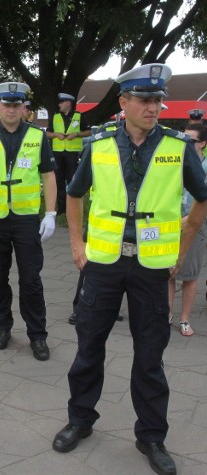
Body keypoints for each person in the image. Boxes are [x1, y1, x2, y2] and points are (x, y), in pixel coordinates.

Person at [52, 64, 207, 475]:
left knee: (151, 356)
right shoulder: (99, 144)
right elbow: (74, 194)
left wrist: (181, 248)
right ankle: (80, 419)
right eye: (145, 100)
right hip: (102, 264)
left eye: (158, 100)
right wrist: (75, 243)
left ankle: (152, 436)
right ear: (124, 103)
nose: (154, 107)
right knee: (88, 349)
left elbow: (202, 199)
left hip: (152, 268)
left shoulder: (178, 146)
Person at [0, 82, 57, 361]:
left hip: (26, 219)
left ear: (24, 109)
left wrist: (51, 213)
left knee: (31, 279)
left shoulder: (37, 136)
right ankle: (2, 327)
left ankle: (38, 335)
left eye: (17, 105)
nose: (11, 109)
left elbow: (49, 176)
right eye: (7, 105)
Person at [167, 124, 207, 337]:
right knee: (168, 272)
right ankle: (167, 315)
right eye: (184, 138)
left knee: (190, 275)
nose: (186, 143)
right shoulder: (174, 162)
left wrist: (190, 219)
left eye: (192, 140)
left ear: (202, 143)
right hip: (171, 224)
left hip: (196, 226)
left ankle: (184, 320)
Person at [46, 93, 91, 215]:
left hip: (72, 153)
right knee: (59, 181)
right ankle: (62, 209)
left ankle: (73, 209)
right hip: (58, 152)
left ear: (68, 103)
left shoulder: (79, 116)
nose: (59, 104)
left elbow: (88, 132)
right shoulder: (55, 117)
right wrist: (56, 134)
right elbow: (47, 133)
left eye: (61, 102)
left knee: (72, 180)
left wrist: (77, 134)